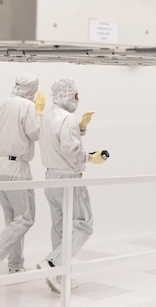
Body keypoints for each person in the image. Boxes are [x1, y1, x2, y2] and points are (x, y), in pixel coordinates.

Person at [36, 77, 108, 294]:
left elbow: (58, 140)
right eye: (76, 94)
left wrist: (82, 128)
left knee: (60, 228)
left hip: (50, 178)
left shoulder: (48, 116)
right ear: (67, 94)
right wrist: (89, 158)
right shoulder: (67, 118)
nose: (78, 98)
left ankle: (59, 275)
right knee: (84, 223)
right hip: (68, 178)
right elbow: (70, 149)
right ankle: (51, 263)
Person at [0, 73, 45, 277]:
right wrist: (39, 111)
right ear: (32, 90)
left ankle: (15, 265)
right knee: (26, 218)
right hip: (17, 166)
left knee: (13, 219)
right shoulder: (27, 106)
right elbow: (35, 133)